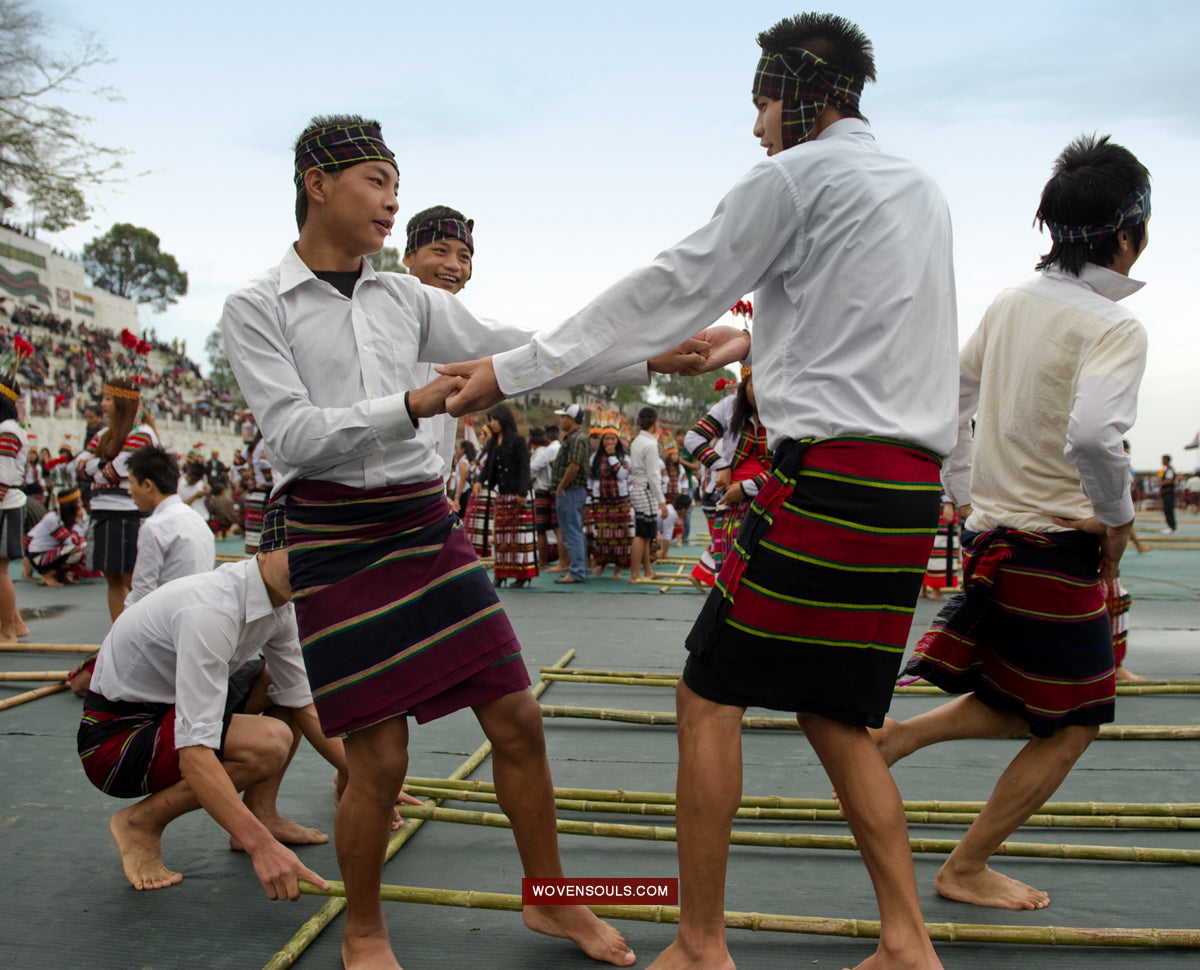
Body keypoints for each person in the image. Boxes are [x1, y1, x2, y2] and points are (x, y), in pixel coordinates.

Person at [438, 14, 957, 969]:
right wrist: (753, 340)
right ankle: (906, 939)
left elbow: (665, 286)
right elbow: (873, 326)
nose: (755, 127)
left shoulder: (794, 175)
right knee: (838, 717)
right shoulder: (918, 189)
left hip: (830, 479)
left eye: (761, 104)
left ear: (796, 93)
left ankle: (701, 942)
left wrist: (513, 371)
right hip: (907, 491)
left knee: (705, 697)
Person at [220, 115, 694, 968]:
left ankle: (553, 903)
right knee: (381, 757)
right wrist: (412, 405)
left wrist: (655, 354)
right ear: (317, 183)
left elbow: (521, 344)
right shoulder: (255, 305)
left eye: (396, 183)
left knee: (517, 720)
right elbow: (290, 437)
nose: (392, 202)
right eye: (376, 181)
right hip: (334, 536)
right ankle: (365, 932)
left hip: (422, 525)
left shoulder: (403, 298)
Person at [895, 134, 1150, 912]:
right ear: (1129, 235)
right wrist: (1116, 518)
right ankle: (965, 866)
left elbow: (952, 400)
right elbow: (1095, 437)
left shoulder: (1012, 302)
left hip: (996, 538)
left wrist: (971, 498)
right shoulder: (1116, 329)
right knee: (1074, 720)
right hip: (1054, 545)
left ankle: (892, 740)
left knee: (1021, 700)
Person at [76, 526, 338, 898]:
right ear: (264, 551)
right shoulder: (210, 612)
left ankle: (262, 810)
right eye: (297, 554)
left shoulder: (281, 605)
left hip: (164, 708)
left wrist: (364, 780)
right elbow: (195, 755)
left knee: (278, 684)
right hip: (115, 742)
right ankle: (140, 823)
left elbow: (303, 704)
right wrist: (261, 847)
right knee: (270, 742)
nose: (310, 567)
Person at [76, 377, 160, 621]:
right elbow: (76, 467)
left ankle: (145, 631)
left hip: (129, 513)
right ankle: (119, 633)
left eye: (108, 398)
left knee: (131, 578)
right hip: (102, 511)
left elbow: (118, 470)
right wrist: (100, 467)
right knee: (111, 576)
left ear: (123, 403)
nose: (102, 403)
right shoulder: (104, 434)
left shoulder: (142, 433)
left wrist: (94, 467)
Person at [125, 445, 216, 607]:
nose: (129, 491)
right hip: (203, 608)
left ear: (147, 485)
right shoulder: (197, 519)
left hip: (169, 616)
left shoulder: (155, 526)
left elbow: (142, 591)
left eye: (131, 483)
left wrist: (119, 630)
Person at [475, 403, 537, 588]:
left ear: (504, 420)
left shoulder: (518, 441)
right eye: (490, 420)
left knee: (519, 538)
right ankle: (501, 574)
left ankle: (522, 575)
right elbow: (489, 467)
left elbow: (525, 468)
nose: (492, 423)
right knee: (501, 537)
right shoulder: (493, 442)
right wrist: (480, 480)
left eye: (494, 419)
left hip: (518, 495)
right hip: (502, 495)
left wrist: (522, 492)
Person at [0, 373, 30, 642]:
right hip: (8, 503)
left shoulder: (8, 428)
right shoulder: (9, 427)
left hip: (5, 504)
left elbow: (4, 475)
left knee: (0, 571)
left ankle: (7, 632)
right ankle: (17, 624)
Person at [550, 404, 592, 584]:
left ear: (572, 418)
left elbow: (574, 465)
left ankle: (577, 571)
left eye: (564, 417)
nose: (561, 420)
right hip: (572, 490)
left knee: (572, 531)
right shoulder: (576, 438)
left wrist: (561, 485)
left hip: (571, 490)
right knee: (573, 531)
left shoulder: (576, 439)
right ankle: (578, 568)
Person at [628, 407, 667, 584]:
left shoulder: (637, 440)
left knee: (645, 533)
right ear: (655, 423)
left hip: (638, 487)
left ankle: (647, 569)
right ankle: (635, 573)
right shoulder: (650, 444)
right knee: (642, 533)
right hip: (645, 489)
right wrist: (662, 502)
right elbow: (653, 475)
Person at [588, 428, 632, 579]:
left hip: (619, 501)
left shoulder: (624, 457)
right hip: (601, 501)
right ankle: (602, 564)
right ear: (602, 441)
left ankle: (618, 569)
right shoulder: (595, 458)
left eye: (613, 439)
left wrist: (612, 457)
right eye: (606, 439)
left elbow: (622, 475)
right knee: (602, 535)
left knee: (621, 536)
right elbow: (591, 478)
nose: (609, 442)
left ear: (617, 441)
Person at [25, 486, 86, 587]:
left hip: (53, 553)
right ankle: (48, 576)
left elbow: (83, 541)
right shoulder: (53, 519)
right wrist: (77, 522)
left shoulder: (68, 520)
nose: (81, 505)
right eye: (78, 502)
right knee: (75, 550)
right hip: (38, 557)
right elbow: (70, 543)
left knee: (81, 550)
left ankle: (60, 575)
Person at [1158, 454, 1177, 533]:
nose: (1161, 461)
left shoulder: (1169, 470)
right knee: (1166, 509)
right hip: (1166, 492)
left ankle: (1171, 527)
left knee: (1168, 509)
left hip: (1168, 492)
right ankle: (1170, 525)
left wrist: (1161, 483)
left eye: (1163, 460)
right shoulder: (1165, 470)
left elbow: (1170, 480)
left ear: (1166, 460)